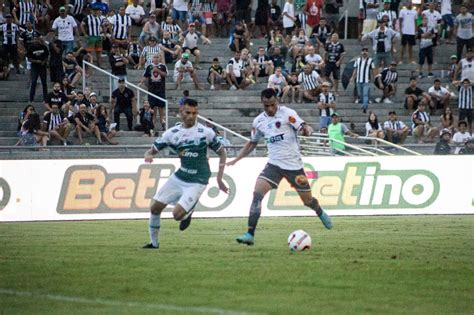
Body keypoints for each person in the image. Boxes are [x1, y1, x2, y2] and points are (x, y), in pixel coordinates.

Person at [226, 88, 332, 246]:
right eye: (266, 105)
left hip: (294, 166)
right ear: (262, 103)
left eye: (272, 105)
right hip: (274, 165)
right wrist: (237, 159)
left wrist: (307, 130)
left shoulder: (287, 113)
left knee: (307, 200)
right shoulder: (258, 122)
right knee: (257, 195)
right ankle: (250, 234)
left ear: (278, 101)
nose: (270, 109)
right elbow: (252, 143)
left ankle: (319, 211)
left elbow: (303, 126)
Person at [142, 98, 228, 249]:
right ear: (181, 112)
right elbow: (153, 149)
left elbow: (222, 153)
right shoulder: (172, 133)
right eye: (188, 112)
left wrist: (220, 179)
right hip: (181, 176)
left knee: (177, 215)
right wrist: (149, 154)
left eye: (194, 113)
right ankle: (153, 244)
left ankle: (188, 210)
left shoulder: (205, 133)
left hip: (198, 179)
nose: (191, 116)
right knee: (154, 208)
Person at [140, 54, 168, 130]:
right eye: (154, 57)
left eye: (157, 57)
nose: (156, 59)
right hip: (152, 90)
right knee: (153, 107)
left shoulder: (163, 66)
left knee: (161, 107)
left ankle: (162, 121)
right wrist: (141, 82)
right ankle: (153, 123)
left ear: (159, 58)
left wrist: (158, 70)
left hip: (161, 89)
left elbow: (165, 74)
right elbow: (145, 76)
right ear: (152, 59)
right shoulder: (149, 67)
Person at [351, 47, 377, 113]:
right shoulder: (358, 60)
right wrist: (352, 77)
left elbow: (373, 70)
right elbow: (355, 69)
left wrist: (374, 78)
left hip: (366, 80)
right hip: (358, 80)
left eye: (366, 51)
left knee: (365, 94)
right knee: (360, 94)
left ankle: (365, 106)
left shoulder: (371, 60)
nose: (364, 52)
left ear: (367, 53)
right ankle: (363, 104)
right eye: (363, 51)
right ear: (361, 52)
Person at [27, 35, 49, 105]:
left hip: (42, 66)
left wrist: (44, 61)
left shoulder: (43, 47)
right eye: (35, 39)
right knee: (33, 82)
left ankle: (45, 99)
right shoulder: (31, 47)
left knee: (44, 83)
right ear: (33, 40)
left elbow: (47, 56)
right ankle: (31, 99)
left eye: (38, 39)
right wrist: (36, 61)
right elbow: (29, 58)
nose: (37, 41)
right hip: (35, 66)